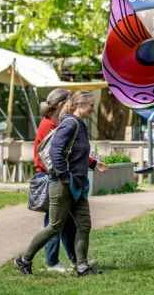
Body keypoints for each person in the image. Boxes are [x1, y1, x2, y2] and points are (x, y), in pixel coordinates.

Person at [15, 90, 108, 277]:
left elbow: (75, 153)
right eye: (91, 104)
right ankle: (24, 260)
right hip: (63, 184)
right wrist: (64, 177)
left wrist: (95, 164)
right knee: (55, 226)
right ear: (80, 104)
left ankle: (82, 266)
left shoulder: (79, 125)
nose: (93, 108)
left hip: (78, 186)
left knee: (84, 225)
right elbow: (55, 152)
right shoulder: (70, 124)